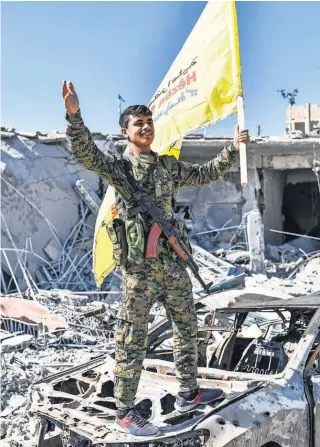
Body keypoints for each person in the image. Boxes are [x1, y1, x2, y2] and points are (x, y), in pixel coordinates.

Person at [62, 80, 250, 436]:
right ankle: (124, 411)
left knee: (187, 329)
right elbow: (85, 152)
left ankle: (189, 393)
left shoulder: (167, 166)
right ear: (126, 132)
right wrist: (75, 116)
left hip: (171, 265)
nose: (146, 127)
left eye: (149, 121)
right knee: (132, 337)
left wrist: (232, 149)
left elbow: (205, 174)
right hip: (139, 270)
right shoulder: (119, 168)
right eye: (138, 123)